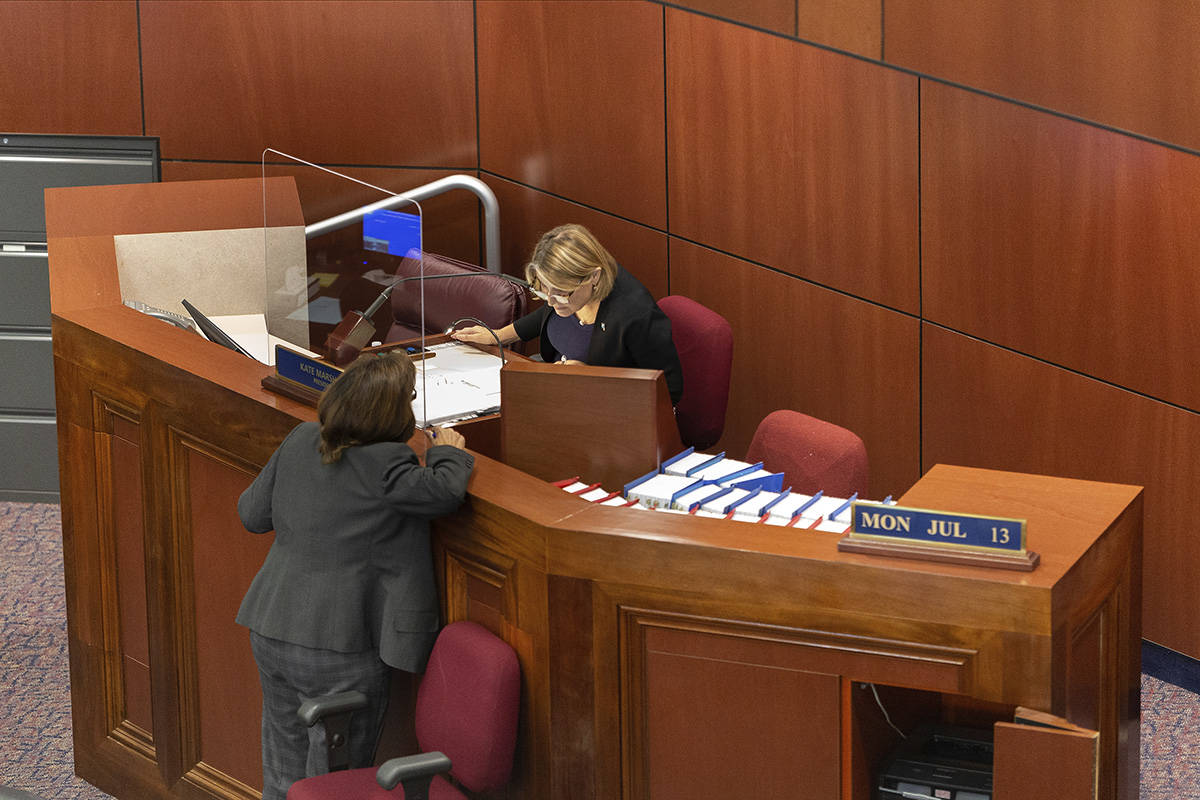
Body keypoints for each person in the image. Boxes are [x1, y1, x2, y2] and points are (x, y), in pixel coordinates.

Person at [235, 351, 474, 800]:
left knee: (284, 773)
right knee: (333, 780)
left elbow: (252, 514)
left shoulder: (301, 438)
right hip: (339, 644)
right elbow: (444, 492)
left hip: (272, 624)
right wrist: (446, 451)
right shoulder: (388, 463)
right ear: (394, 412)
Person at [450, 223, 683, 404]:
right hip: (561, 393)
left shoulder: (634, 313)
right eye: (543, 291)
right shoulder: (569, 294)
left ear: (593, 276)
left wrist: (591, 378)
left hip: (611, 413)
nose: (551, 302)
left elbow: (669, 391)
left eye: (560, 294)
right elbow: (546, 314)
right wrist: (498, 336)